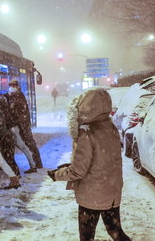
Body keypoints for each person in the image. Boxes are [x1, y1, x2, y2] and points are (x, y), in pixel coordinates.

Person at [48, 87, 130, 241]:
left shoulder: (87, 132)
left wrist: (57, 174)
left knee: (86, 237)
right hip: (111, 191)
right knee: (116, 232)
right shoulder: (110, 127)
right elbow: (101, 159)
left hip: (92, 196)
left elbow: (79, 171)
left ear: (86, 106)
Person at [0, 94, 33, 175]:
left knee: (20, 148)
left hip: (10, 130)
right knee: (11, 152)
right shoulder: (1, 107)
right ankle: (25, 168)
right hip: (9, 131)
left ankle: (30, 167)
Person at [5, 79, 43, 169]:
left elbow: (18, 110)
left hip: (23, 124)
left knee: (29, 143)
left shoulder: (19, 95)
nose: (12, 87)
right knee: (23, 144)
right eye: (10, 86)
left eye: (14, 86)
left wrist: (21, 123)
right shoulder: (11, 95)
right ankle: (35, 163)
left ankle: (37, 163)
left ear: (18, 86)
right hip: (19, 124)